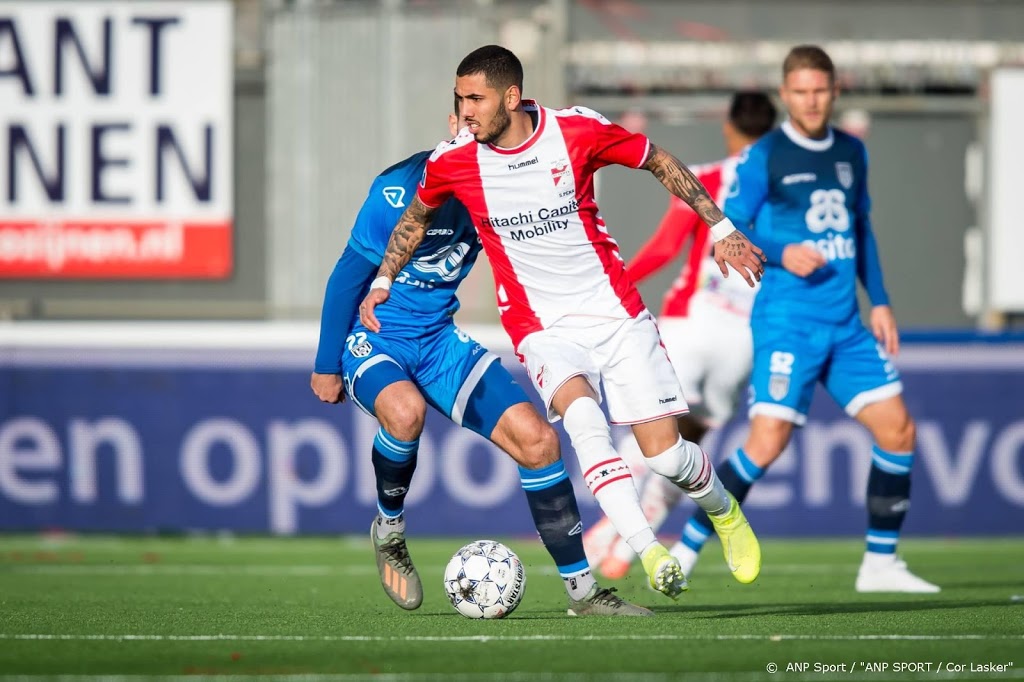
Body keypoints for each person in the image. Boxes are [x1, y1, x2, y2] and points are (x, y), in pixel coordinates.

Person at [360, 45, 767, 598]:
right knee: (583, 427)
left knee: (666, 454)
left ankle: (723, 510)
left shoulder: (576, 131)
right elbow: (417, 214)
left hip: (614, 311)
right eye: (460, 98)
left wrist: (719, 228)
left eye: (475, 98)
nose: (465, 110)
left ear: (510, 96)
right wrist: (384, 278)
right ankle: (650, 552)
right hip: (540, 326)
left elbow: (658, 160)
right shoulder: (454, 160)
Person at [312, 112, 652, 617]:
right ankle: (389, 527)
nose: (471, 128)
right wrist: (326, 362)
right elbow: (348, 272)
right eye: (463, 114)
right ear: (451, 122)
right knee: (405, 414)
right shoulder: (395, 189)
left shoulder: (498, 191)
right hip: (377, 339)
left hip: (441, 344)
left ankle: (583, 592)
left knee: (539, 441)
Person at [672, 45, 940, 593]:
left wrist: (881, 300)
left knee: (899, 430)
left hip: (845, 324)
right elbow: (730, 224)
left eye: (820, 90)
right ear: (785, 94)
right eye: (800, 91)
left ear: (835, 90)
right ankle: (689, 546)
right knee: (765, 444)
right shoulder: (765, 155)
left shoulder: (851, 151)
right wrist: (778, 247)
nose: (812, 100)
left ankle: (880, 565)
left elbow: (861, 228)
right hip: (788, 322)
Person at [582, 92, 779, 580]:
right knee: (689, 441)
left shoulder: (709, 177)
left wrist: (616, 279)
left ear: (730, 129)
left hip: (690, 324)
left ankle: (609, 533)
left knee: (650, 436)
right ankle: (626, 551)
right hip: (743, 340)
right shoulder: (784, 187)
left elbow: (668, 246)